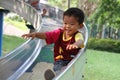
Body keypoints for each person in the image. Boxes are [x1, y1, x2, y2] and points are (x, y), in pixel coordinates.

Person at [22, 7, 85, 78]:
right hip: (60, 60)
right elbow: (46, 35)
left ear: (80, 26)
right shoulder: (59, 33)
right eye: (65, 23)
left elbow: (80, 41)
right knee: (59, 68)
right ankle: (56, 76)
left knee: (69, 72)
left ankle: (59, 74)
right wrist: (36, 34)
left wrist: (75, 44)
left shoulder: (78, 35)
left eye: (72, 24)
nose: (67, 26)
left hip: (73, 60)